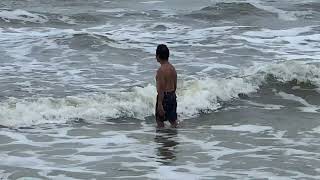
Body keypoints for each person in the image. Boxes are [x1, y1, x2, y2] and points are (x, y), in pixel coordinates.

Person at [155, 44, 178, 128]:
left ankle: (162, 138)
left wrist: (160, 104)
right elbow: (175, 85)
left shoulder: (161, 70)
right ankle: (173, 137)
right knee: (173, 120)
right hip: (172, 95)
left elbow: (161, 89)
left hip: (164, 97)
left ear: (158, 56)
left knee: (160, 121)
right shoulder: (172, 68)